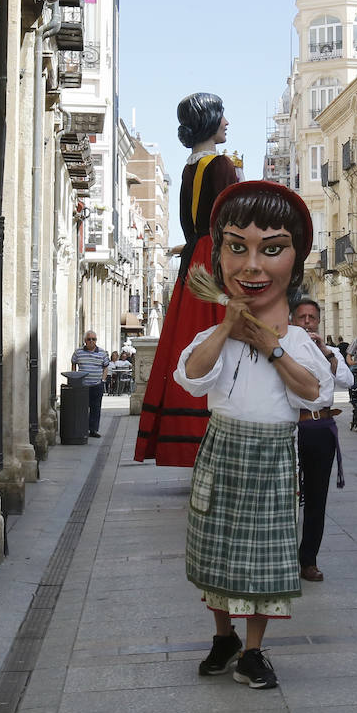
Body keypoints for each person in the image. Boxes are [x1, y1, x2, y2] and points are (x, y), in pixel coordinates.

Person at [175, 180, 331, 691]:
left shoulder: (301, 343)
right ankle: (223, 638)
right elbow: (191, 377)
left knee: (264, 561)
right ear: (220, 257)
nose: (252, 266)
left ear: (295, 260)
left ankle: (254, 650)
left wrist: (271, 345)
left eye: (273, 249)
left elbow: (315, 394)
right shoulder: (210, 337)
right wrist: (226, 327)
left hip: (271, 461)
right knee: (216, 552)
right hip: (221, 454)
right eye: (237, 248)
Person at [135, 93, 242, 466]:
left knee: (186, 340)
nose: (227, 122)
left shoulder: (188, 169)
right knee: (224, 337)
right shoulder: (221, 165)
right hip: (216, 256)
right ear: (210, 121)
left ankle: (183, 437)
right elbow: (232, 220)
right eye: (222, 116)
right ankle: (221, 437)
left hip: (193, 260)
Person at [289, 293, 351, 583]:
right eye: (301, 317)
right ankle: (284, 556)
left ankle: (308, 559)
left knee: (317, 497)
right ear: (292, 320)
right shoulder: (284, 346)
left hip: (321, 428)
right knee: (287, 497)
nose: (307, 322)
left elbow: (347, 381)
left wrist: (325, 351)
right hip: (293, 426)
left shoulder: (330, 352)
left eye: (312, 318)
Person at [70, 331, 109, 438]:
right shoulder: (78, 352)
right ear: (85, 341)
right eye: (89, 339)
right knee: (82, 408)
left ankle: (93, 430)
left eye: (93, 339)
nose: (91, 341)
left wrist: (103, 380)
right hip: (82, 385)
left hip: (97, 384)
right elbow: (73, 363)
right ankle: (82, 429)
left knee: (96, 408)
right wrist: (74, 377)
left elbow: (106, 367)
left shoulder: (102, 352)